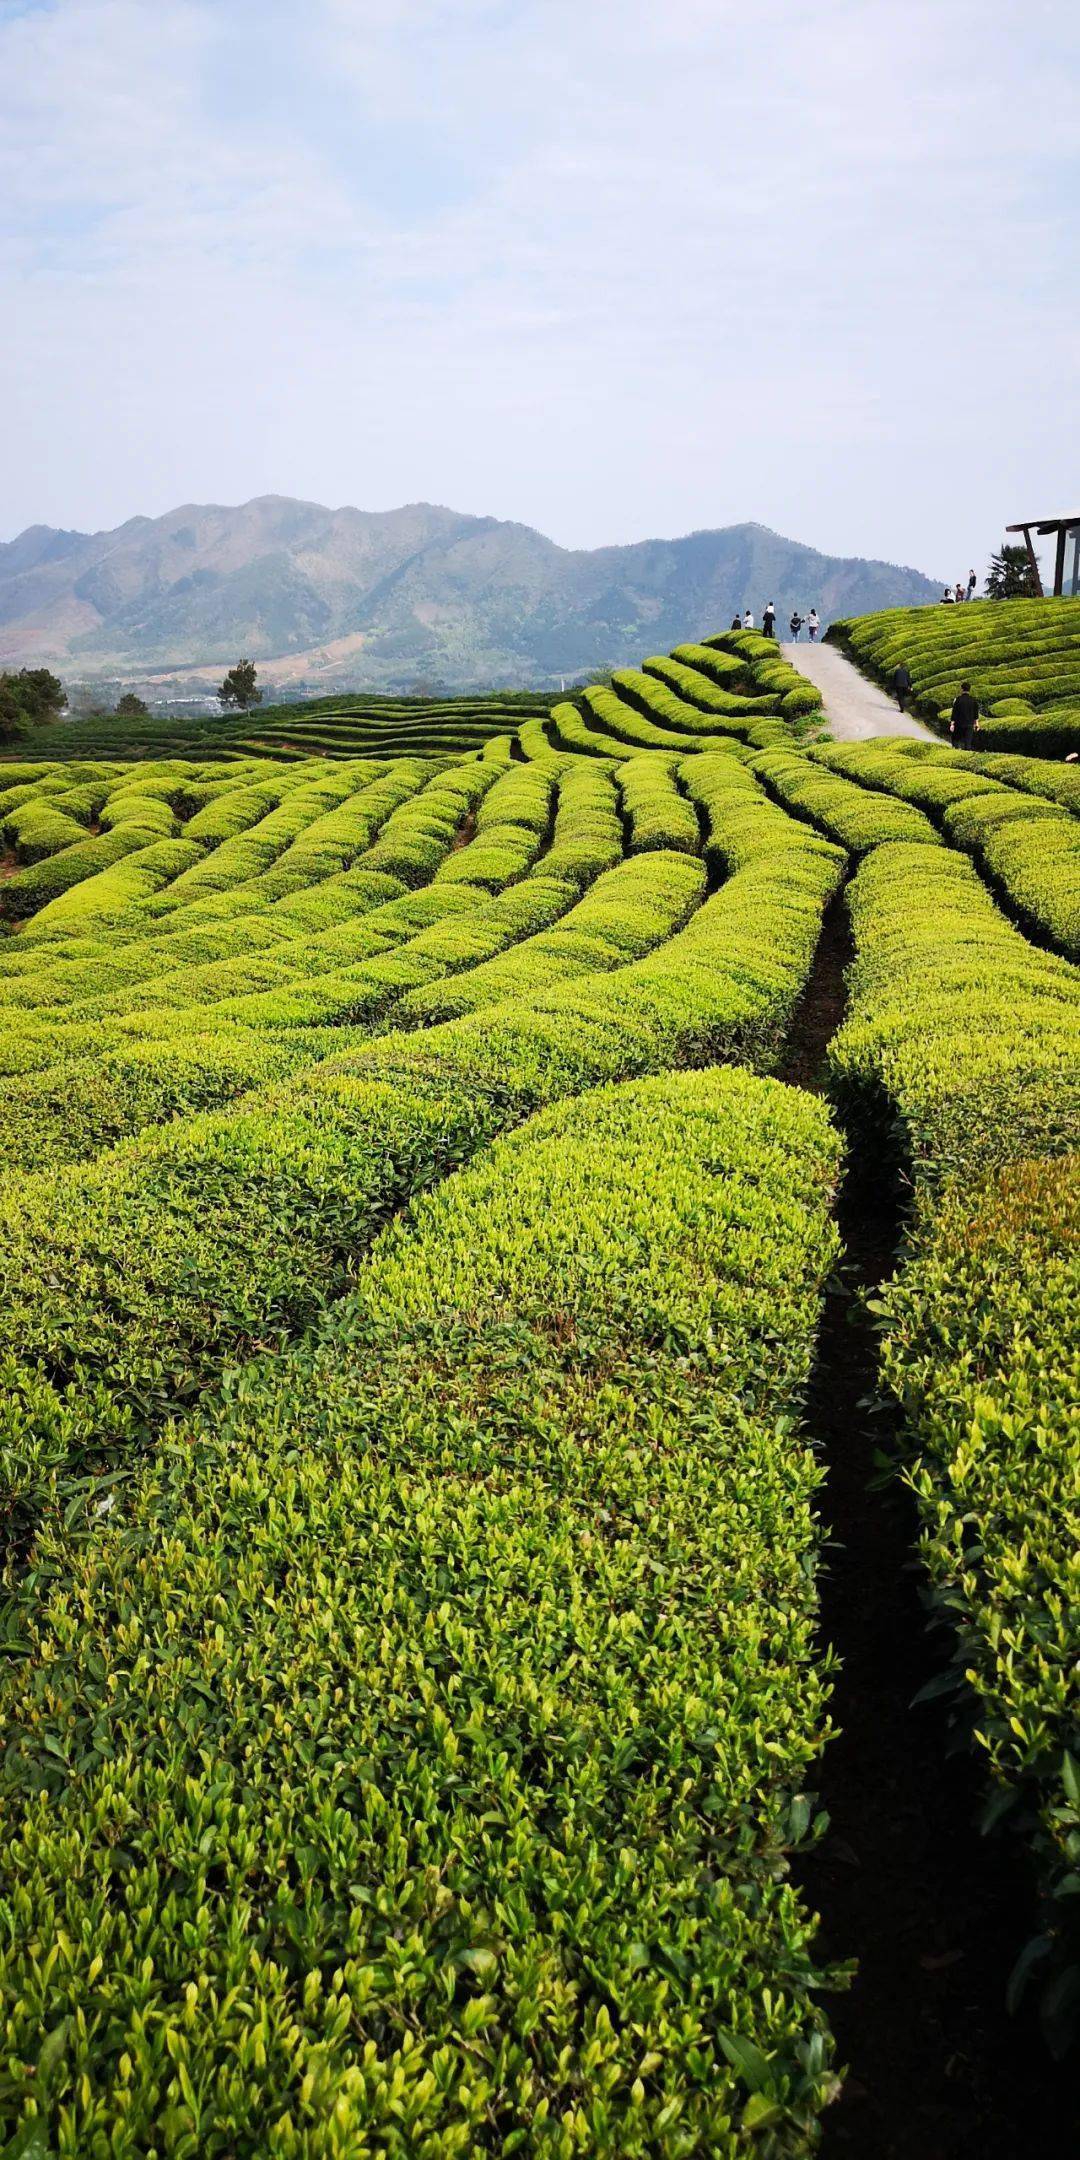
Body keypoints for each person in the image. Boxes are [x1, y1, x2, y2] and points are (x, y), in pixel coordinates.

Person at [950, 681, 980, 749]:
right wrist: (977, 724)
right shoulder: (973, 700)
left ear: (962, 689)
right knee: (968, 744)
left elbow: (954, 713)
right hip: (969, 725)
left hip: (959, 724)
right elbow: (976, 714)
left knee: (956, 743)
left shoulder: (957, 700)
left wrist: (952, 724)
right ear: (969, 689)